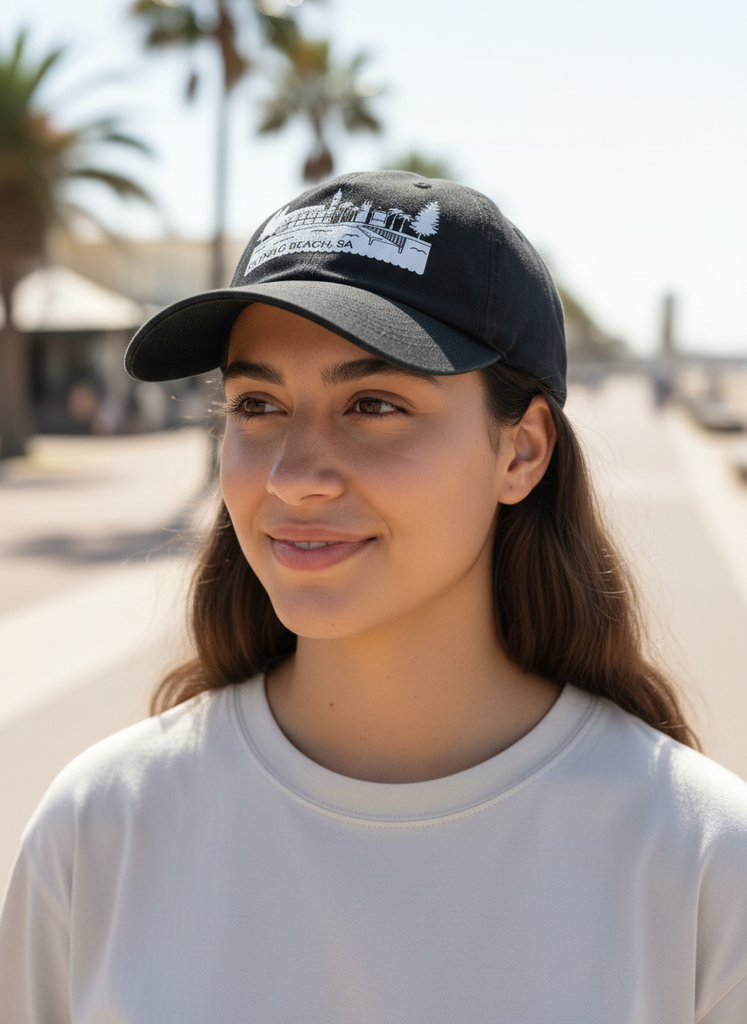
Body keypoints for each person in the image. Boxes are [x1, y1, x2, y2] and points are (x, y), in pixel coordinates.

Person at [1, 171, 746, 1023]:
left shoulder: (698, 864)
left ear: (521, 452)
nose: (293, 477)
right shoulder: (101, 834)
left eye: (374, 404)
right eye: (257, 404)